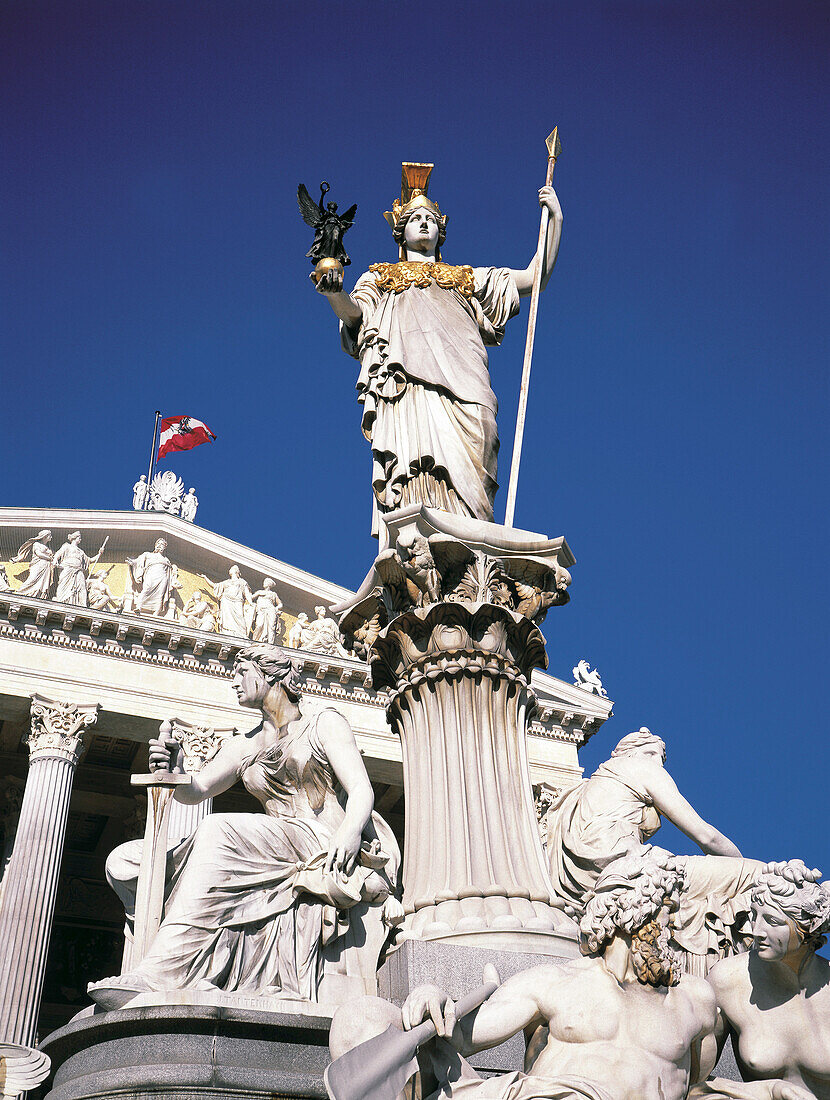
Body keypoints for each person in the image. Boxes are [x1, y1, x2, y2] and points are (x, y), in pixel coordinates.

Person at [330, 855, 795, 1100]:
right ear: (628, 916)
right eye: (664, 915)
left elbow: (695, 1086)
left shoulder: (695, 1000)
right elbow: (464, 1037)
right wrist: (433, 993)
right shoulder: (557, 981)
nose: (672, 930)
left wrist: (766, 1090)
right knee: (361, 1017)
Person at [90, 646, 401, 1010]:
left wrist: (349, 835)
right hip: (275, 844)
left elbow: (362, 790)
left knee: (217, 830)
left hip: (320, 840)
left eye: (241, 673)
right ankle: (168, 960)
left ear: (268, 674)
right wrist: (175, 769)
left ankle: (162, 972)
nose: (233, 682)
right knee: (125, 861)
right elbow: (198, 789)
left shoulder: (324, 723)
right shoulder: (245, 744)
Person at [316, 164, 562, 546]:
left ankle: (473, 540)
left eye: (431, 219)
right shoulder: (380, 278)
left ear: (441, 230)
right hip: (408, 385)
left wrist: (555, 220)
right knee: (417, 465)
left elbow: (535, 277)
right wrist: (334, 292)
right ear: (401, 231)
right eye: (415, 219)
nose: (425, 224)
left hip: (467, 380)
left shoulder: (467, 279)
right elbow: (356, 318)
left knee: (481, 439)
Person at [544, 727, 760, 973]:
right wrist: (739, 866)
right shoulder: (641, 768)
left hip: (587, 881)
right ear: (624, 753)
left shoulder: (589, 785)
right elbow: (705, 835)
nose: (658, 763)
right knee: (758, 876)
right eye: (650, 753)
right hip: (631, 870)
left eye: (661, 758)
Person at [691, 860, 830, 1099]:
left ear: (808, 929)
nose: (756, 930)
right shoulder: (729, 979)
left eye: (773, 922)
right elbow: (690, 1085)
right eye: (754, 915)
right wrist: (769, 1090)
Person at [53, 532, 106, 606]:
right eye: (79, 538)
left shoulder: (81, 552)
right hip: (67, 569)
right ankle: (62, 600)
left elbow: (90, 560)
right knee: (64, 585)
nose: (80, 539)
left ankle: (81, 604)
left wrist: (99, 554)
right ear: (74, 538)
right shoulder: (66, 546)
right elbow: (58, 554)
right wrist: (55, 560)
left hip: (78, 570)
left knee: (81, 586)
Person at [126, 538, 174, 616]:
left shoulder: (166, 560)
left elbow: (170, 572)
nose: (159, 546)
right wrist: (133, 563)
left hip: (162, 577)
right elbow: (138, 561)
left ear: (164, 547)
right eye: (158, 544)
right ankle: (139, 607)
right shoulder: (148, 554)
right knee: (146, 589)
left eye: (162, 544)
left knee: (160, 595)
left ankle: (156, 612)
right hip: (151, 574)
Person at [202, 565, 253, 637]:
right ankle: (226, 632)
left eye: (231, 569)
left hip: (238, 601)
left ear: (236, 571)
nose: (230, 570)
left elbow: (247, 593)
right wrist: (205, 578)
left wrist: (251, 603)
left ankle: (241, 633)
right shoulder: (226, 582)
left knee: (240, 617)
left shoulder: (242, 582)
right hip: (226, 601)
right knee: (226, 618)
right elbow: (215, 586)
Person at [12, 530, 53, 598]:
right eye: (50, 535)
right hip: (38, 565)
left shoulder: (48, 547)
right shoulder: (36, 544)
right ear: (45, 536)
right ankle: (21, 592)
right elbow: (39, 554)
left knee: (43, 582)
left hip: (46, 566)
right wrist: (49, 558)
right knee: (33, 579)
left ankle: (39, 594)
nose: (51, 537)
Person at [250, 578, 283, 644]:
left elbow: (280, 604)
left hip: (271, 610)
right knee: (259, 625)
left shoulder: (273, 594)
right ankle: (256, 641)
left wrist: (276, 608)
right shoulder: (260, 592)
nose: (264, 583)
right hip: (261, 611)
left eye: (266, 582)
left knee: (271, 627)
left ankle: (270, 643)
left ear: (269, 584)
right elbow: (250, 597)